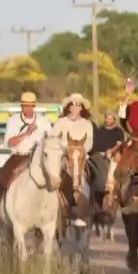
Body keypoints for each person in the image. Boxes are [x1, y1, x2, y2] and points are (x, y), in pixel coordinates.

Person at [0, 92, 52, 228]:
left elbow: (51, 138)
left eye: (30, 105)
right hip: (20, 154)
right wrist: (26, 133)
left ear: (34, 106)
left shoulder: (43, 121)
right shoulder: (14, 120)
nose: (28, 108)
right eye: (25, 105)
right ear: (22, 106)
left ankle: (64, 210)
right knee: (1, 175)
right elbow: (10, 142)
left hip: (39, 156)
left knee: (56, 176)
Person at [52, 93, 94, 228]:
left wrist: (82, 151)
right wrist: (65, 150)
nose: (75, 107)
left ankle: (91, 205)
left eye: (78, 105)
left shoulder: (87, 124)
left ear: (82, 108)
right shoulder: (61, 122)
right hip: (63, 155)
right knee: (52, 175)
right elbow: (53, 138)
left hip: (81, 155)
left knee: (96, 175)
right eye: (73, 104)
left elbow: (89, 142)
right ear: (69, 107)